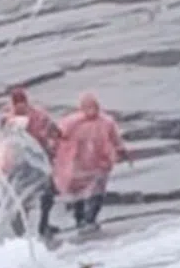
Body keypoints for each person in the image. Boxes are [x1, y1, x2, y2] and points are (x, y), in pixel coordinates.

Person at [0, 87, 61, 237]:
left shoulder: (39, 116)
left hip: (40, 161)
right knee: (18, 199)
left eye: (22, 102)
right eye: (16, 103)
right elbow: (2, 142)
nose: (20, 106)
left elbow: (54, 132)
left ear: (26, 102)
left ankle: (44, 225)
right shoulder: (7, 120)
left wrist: (52, 145)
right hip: (17, 165)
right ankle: (21, 233)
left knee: (48, 193)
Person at [53, 93, 132, 232]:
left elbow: (115, 139)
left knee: (97, 192)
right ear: (81, 108)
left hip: (100, 163)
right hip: (79, 163)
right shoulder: (71, 122)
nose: (91, 110)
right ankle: (80, 218)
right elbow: (58, 135)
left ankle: (91, 218)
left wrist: (122, 151)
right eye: (87, 107)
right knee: (78, 193)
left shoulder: (107, 122)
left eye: (94, 106)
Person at [0, 115, 55, 237]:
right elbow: (10, 161)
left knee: (21, 206)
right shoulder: (11, 141)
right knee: (17, 208)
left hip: (23, 178)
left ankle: (25, 233)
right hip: (18, 179)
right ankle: (21, 235)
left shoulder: (14, 139)